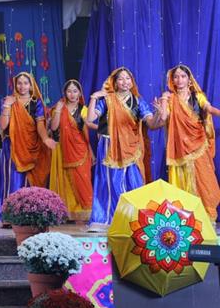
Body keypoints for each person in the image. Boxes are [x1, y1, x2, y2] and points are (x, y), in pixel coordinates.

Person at [87, 67, 164, 231]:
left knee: (133, 183)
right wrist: (94, 98)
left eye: (128, 78)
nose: (125, 82)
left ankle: (132, 221)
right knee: (108, 184)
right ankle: (105, 220)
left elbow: (152, 124)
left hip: (131, 148)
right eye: (121, 79)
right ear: (115, 83)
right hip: (109, 147)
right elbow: (91, 118)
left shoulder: (138, 102)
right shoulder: (107, 100)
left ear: (132, 81)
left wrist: (159, 113)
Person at [158, 65, 220, 221]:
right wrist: (163, 100)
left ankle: (205, 217)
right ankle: (185, 218)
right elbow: (164, 117)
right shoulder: (170, 99)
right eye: (176, 77)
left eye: (183, 76)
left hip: (198, 143)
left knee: (205, 180)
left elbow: (209, 109)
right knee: (181, 179)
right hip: (180, 147)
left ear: (189, 79)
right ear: (172, 80)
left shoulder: (198, 96)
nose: (179, 80)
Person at [0, 72, 56, 226]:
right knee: (12, 181)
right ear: (15, 85)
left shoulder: (36, 103)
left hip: (31, 147)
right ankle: (9, 217)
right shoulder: (8, 101)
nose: (22, 86)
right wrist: (7, 106)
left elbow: (40, 125)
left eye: (25, 83)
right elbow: (3, 125)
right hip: (12, 147)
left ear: (31, 85)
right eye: (19, 83)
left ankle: (27, 217)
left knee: (30, 182)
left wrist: (45, 139)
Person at [49, 80, 93, 222]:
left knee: (82, 182)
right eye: (69, 91)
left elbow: (89, 125)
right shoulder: (58, 108)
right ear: (65, 93)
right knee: (65, 181)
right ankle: (67, 213)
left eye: (75, 91)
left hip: (80, 151)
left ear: (79, 93)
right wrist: (58, 110)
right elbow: (54, 127)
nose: (72, 94)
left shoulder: (84, 109)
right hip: (63, 150)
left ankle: (85, 214)